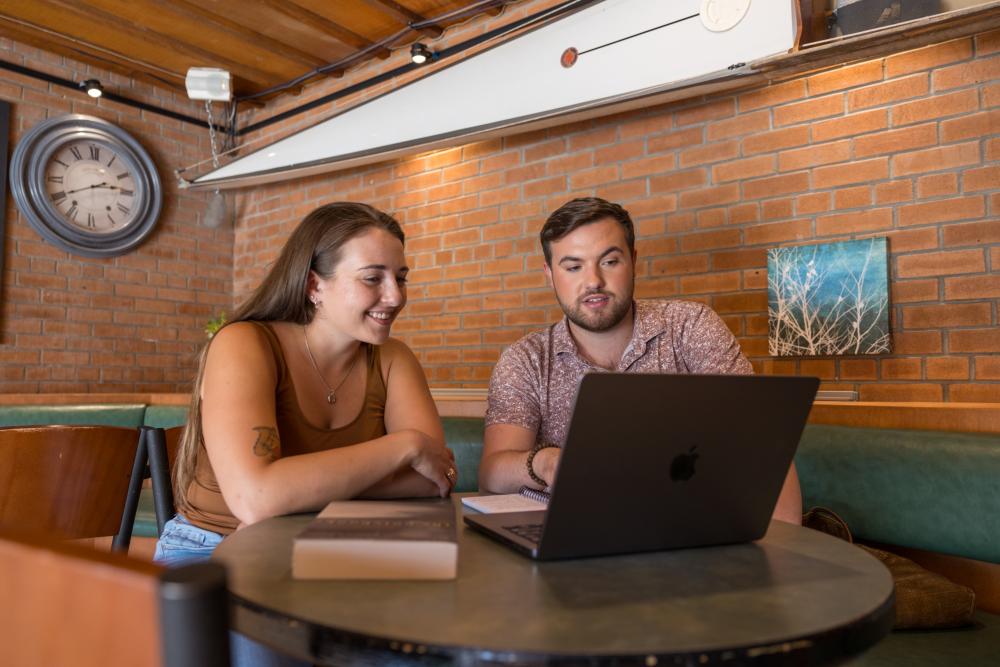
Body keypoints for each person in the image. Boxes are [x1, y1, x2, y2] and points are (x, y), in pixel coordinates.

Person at [155, 202, 456, 666]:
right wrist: (404, 446)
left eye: (402, 276)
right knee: (267, 653)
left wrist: (290, 487)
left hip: (341, 545)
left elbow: (434, 479)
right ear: (315, 284)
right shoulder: (245, 343)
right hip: (211, 548)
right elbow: (255, 499)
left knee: (431, 648)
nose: (395, 296)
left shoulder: (394, 359)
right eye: (373, 278)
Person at [479, 197, 802, 524]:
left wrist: (781, 554)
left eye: (609, 261)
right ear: (549, 274)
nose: (593, 281)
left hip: (694, 529)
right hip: (572, 532)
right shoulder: (526, 360)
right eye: (573, 266)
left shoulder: (690, 327)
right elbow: (492, 475)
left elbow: (761, 443)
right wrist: (546, 462)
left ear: (633, 260)